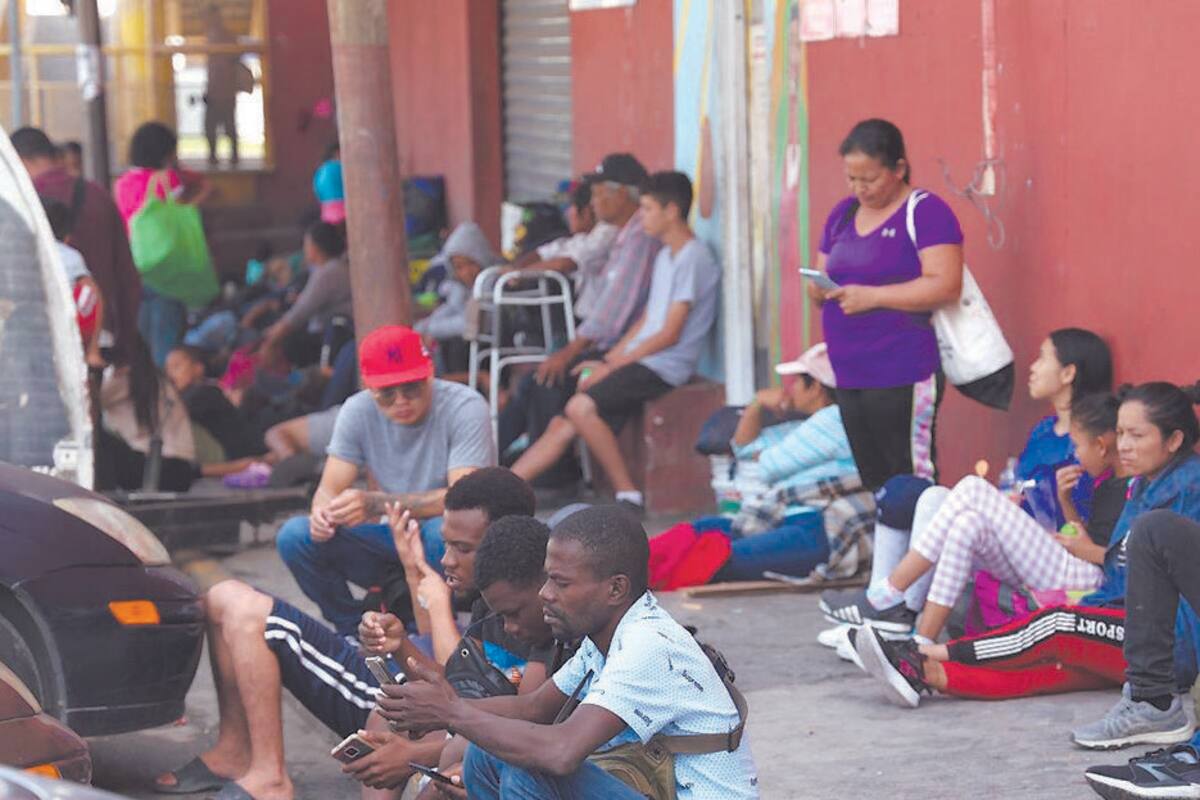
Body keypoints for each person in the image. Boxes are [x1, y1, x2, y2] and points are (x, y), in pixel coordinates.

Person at [154, 469, 547, 800]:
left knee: (245, 609)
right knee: (391, 710)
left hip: (483, 745)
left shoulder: (539, 624)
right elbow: (458, 683)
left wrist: (418, 753)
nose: (445, 558)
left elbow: (524, 723)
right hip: (460, 726)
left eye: (462, 548)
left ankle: (269, 778)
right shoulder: (487, 604)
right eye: (445, 544)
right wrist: (399, 646)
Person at [375, 505, 758, 799]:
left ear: (615, 589)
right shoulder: (607, 635)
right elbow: (534, 708)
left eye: (559, 582)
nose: (545, 594)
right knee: (484, 752)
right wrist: (442, 706)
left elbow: (561, 752)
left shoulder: (648, 645)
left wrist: (451, 713)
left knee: (534, 767)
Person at [820, 327, 1114, 640]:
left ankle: (887, 600)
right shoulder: (1043, 431)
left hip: (1061, 558)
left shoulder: (1091, 448)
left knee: (972, 489)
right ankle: (906, 628)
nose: (1033, 367)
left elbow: (1083, 531)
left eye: (1042, 358)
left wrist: (1052, 504)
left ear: (1068, 373)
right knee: (939, 501)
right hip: (1022, 550)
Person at [850, 392, 1135, 706]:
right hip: (1075, 569)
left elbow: (1121, 558)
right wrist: (1067, 506)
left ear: (1101, 445)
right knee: (968, 525)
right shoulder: (1106, 484)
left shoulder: (1137, 490)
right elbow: (1086, 537)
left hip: (1090, 585)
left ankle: (889, 591)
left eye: (1079, 446)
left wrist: (1084, 549)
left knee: (972, 489)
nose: (1077, 455)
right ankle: (920, 643)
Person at [512, 171, 720, 512]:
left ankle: (629, 495)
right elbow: (645, 321)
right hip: (643, 359)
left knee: (580, 407)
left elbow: (670, 333)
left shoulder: (693, 258)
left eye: (649, 209)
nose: (642, 217)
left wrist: (613, 364)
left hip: (666, 366)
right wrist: (609, 358)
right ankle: (505, 492)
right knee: (564, 420)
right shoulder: (667, 256)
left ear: (672, 211)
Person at [275, 325, 496, 637]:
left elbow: (465, 500)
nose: (401, 401)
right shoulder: (357, 409)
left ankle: (445, 633)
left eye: (412, 388)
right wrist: (323, 516)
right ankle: (354, 631)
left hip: (445, 538)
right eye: (387, 393)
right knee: (295, 536)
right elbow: (328, 489)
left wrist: (375, 503)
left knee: (442, 533)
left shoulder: (465, 406)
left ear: (429, 372)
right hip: (391, 534)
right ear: (369, 387)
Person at [809, 118, 965, 490]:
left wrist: (873, 296)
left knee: (910, 477)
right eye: (852, 178)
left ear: (898, 168)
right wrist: (820, 289)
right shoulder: (843, 214)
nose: (860, 188)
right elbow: (821, 270)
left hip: (902, 370)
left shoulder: (925, 211)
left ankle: (922, 549)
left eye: (870, 179)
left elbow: (946, 285)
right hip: (849, 371)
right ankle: (890, 548)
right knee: (873, 479)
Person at [496, 153, 661, 479]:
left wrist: (571, 352)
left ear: (622, 194)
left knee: (549, 379)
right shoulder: (617, 234)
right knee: (530, 384)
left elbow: (614, 314)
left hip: (622, 347)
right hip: (608, 342)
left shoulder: (640, 237)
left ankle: (554, 478)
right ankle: (487, 467)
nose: (594, 202)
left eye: (600, 193)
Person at [660, 342, 871, 584]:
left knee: (715, 559)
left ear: (816, 388)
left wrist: (765, 455)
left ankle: (629, 580)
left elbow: (767, 467)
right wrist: (756, 406)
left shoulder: (834, 419)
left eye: (799, 382)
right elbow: (745, 449)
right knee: (698, 530)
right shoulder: (806, 426)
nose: (791, 390)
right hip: (785, 519)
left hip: (818, 529)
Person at [12, 126, 143, 367]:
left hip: (39, 345)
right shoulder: (98, 195)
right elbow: (127, 277)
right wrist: (124, 347)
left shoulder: (20, 203)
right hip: (98, 338)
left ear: (19, 161)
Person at [113, 121, 212, 367]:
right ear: (166, 152)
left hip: (135, 267)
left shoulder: (121, 183)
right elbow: (187, 201)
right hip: (167, 270)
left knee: (142, 341)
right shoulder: (166, 180)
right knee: (166, 347)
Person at [507, 178, 618, 322]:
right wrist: (515, 268)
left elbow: (565, 263)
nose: (566, 215)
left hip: (599, 319)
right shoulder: (582, 237)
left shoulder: (606, 233)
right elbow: (546, 251)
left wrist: (521, 274)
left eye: (570, 209)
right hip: (585, 317)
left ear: (586, 212)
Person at [95, 336, 197, 492]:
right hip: (180, 471)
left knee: (99, 440)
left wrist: (93, 366)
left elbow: (83, 406)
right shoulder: (153, 378)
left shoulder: (124, 378)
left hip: (158, 469)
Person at [259, 221, 352, 369]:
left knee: (287, 341)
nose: (305, 249)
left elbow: (300, 313)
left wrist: (271, 341)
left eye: (306, 244)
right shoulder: (326, 268)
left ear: (315, 247)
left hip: (331, 337)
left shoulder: (329, 271)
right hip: (323, 331)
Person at [164, 345, 266, 460]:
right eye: (167, 368)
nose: (170, 374)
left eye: (176, 366)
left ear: (198, 368)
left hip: (243, 459)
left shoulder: (205, 393)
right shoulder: (186, 396)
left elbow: (170, 418)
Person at [41, 196, 105, 369]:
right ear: (67, 235)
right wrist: (92, 349)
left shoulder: (17, 255)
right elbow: (91, 295)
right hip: (62, 341)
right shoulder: (70, 257)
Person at [415, 222, 499, 350]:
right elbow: (451, 308)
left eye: (471, 263)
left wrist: (431, 330)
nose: (466, 272)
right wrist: (422, 328)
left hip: (491, 346)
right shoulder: (459, 286)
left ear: (482, 258)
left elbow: (470, 324)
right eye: (459, 267)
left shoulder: (490, 280)